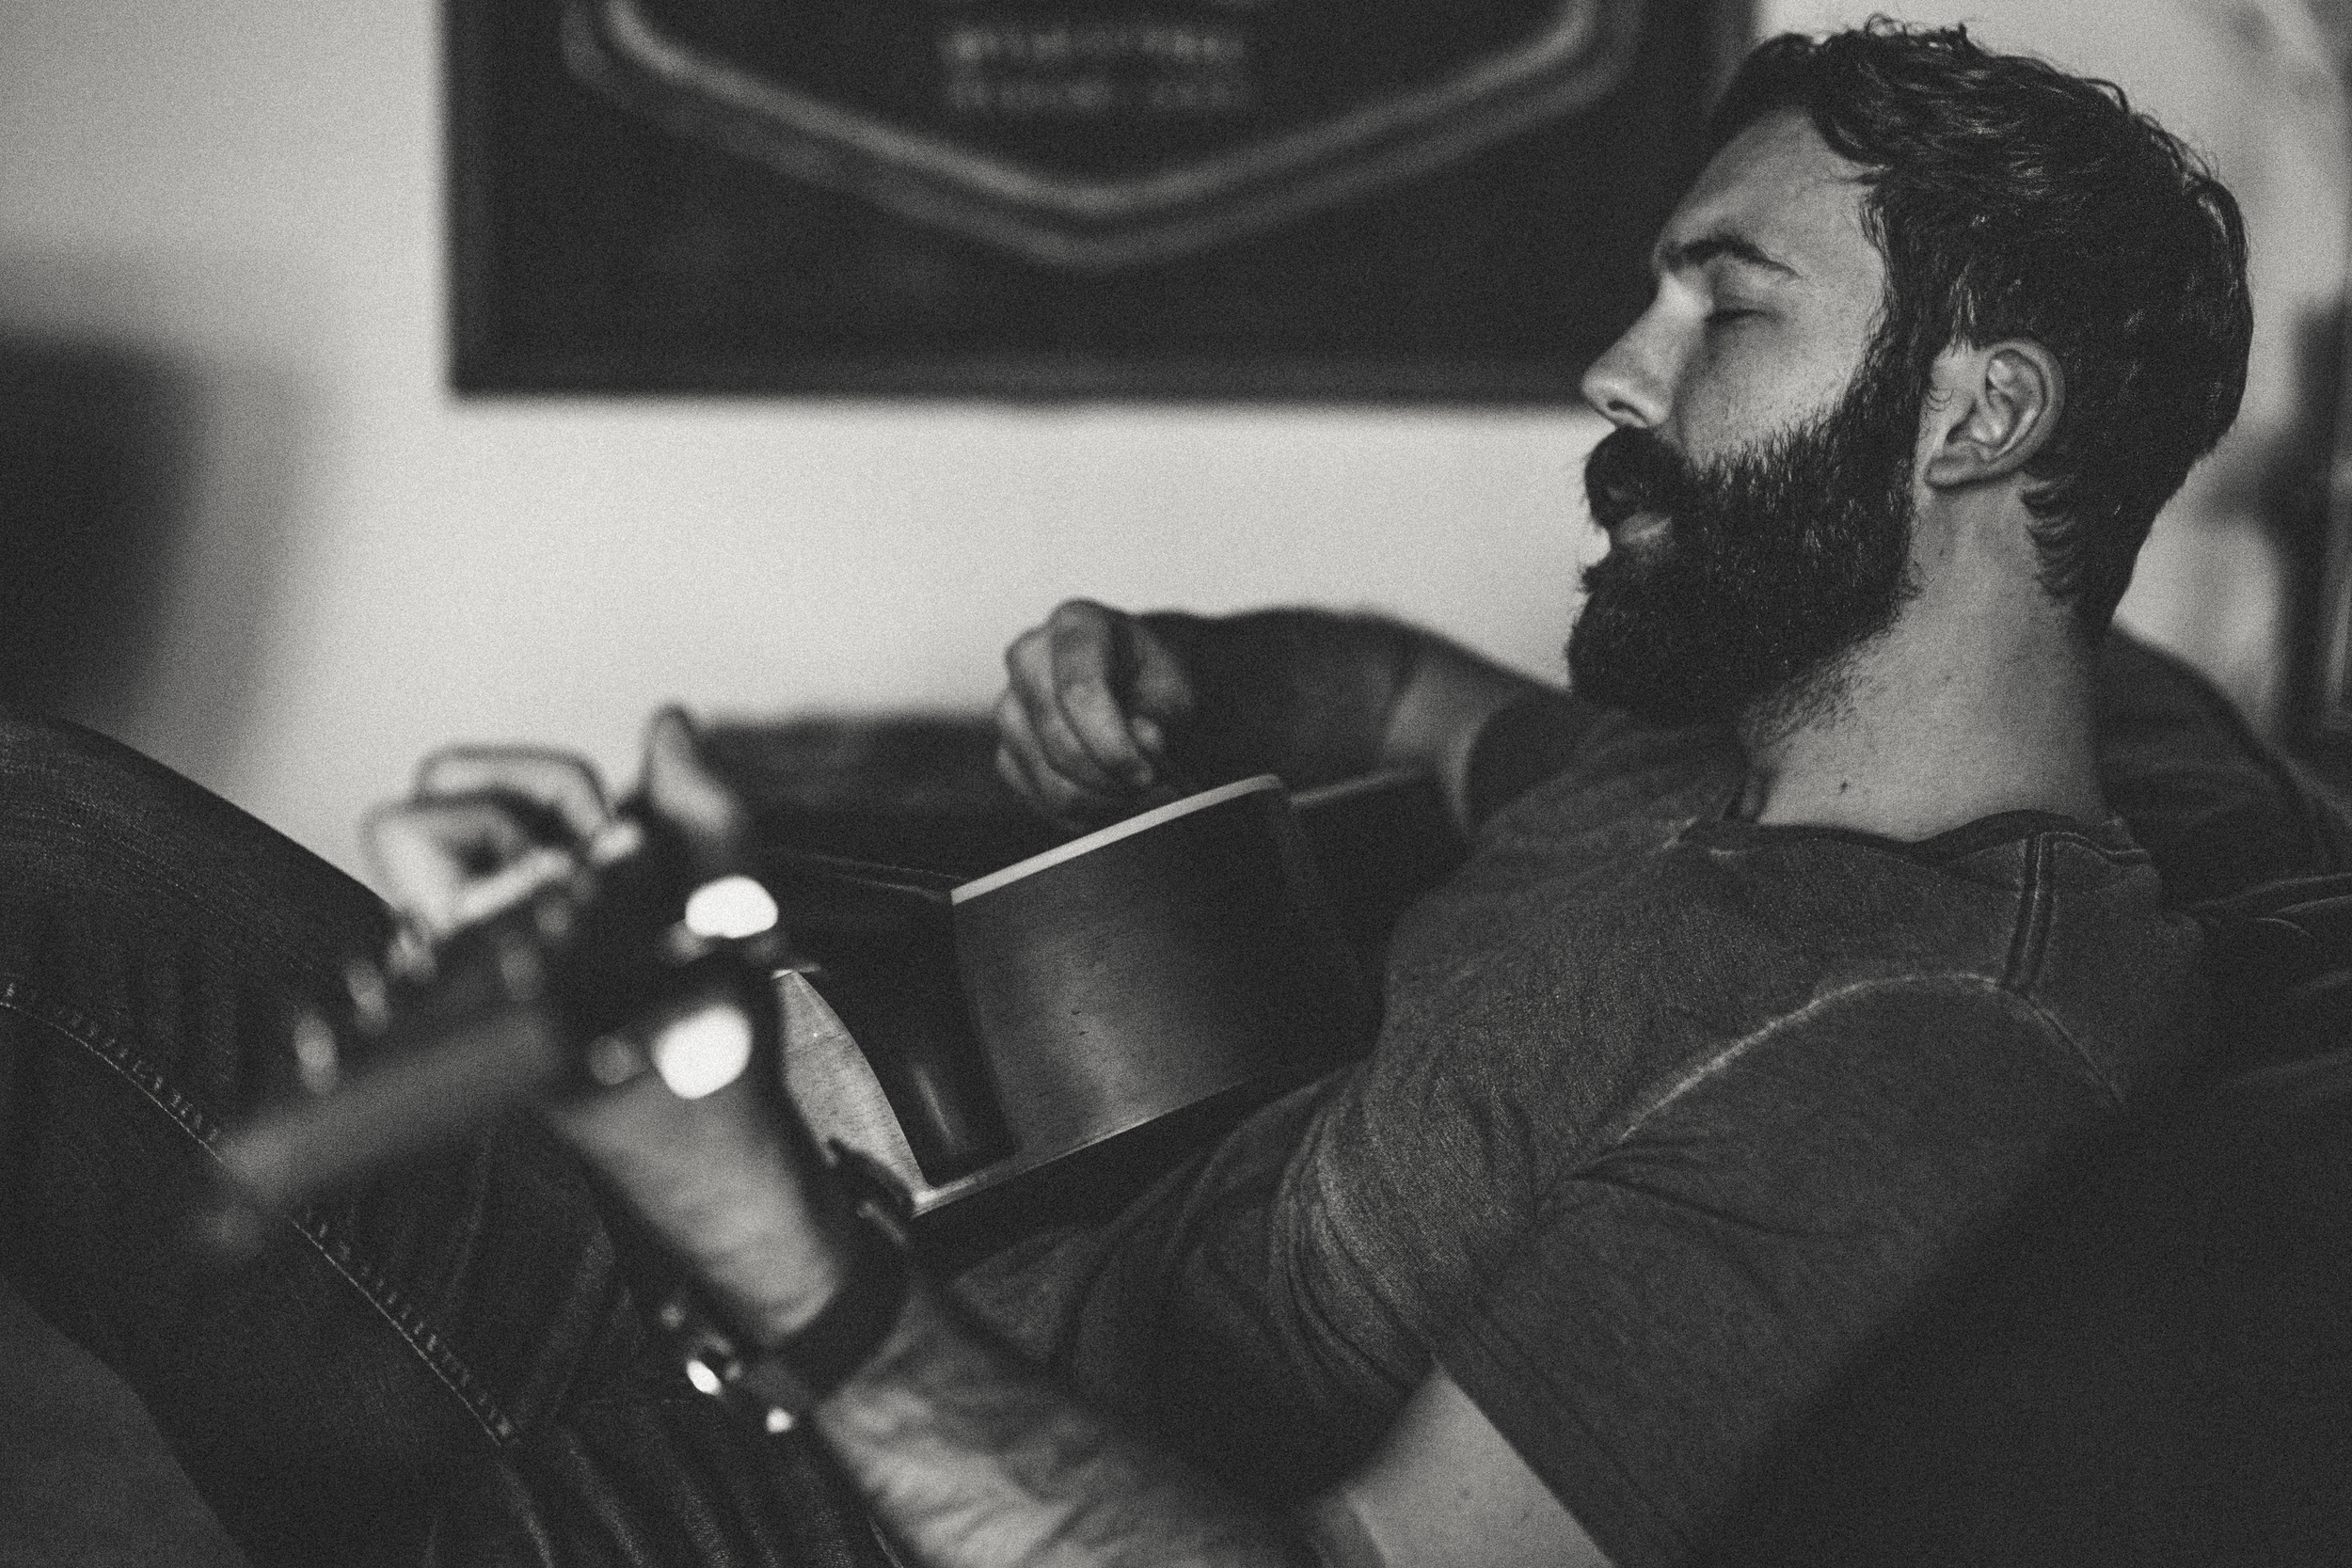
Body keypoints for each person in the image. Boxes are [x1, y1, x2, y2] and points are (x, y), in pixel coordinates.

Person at [0, 19, 2317, 1568]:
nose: (1612, 368)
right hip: (822, 1244)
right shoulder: (1696, 756)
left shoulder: (1916, 1034)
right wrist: (1184, 675)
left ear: (1973, 415)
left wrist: (775, 1254)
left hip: (753, 1462)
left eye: (1725, 306)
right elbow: (1398, 694)